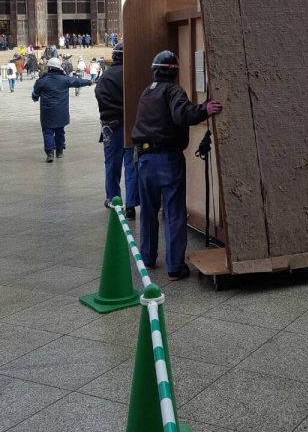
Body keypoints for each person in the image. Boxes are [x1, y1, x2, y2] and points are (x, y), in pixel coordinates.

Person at [132, 50, 222, 279]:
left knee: (149, 212)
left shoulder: (146, 92)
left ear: (155, 71)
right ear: (175, 73)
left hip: (143, 159)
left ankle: (148, 259)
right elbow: (182, 115)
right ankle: (174, 267)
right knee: (174, 212)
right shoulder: (173, 91)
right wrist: (205, 109)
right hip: (166, 159)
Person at [94, 42, 139, 220]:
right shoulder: (132, 75)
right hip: (130, 124)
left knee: (112, 164)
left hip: (110, 126)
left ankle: (113, 199)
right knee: (131, 165)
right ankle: (131, 205)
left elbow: (99, 95)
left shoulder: (105, 77)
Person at [32, 56, 93, 162]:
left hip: (47, 112)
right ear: (59, 68)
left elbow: (35, 94)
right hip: (61, 111)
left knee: (47, 131)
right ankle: (59, 151)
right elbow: (77, 81)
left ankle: (50, 153)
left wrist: (35, 97)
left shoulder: (41, 81)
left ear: (49, 67)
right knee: (60, 130)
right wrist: (89, 82)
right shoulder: (65, 79)